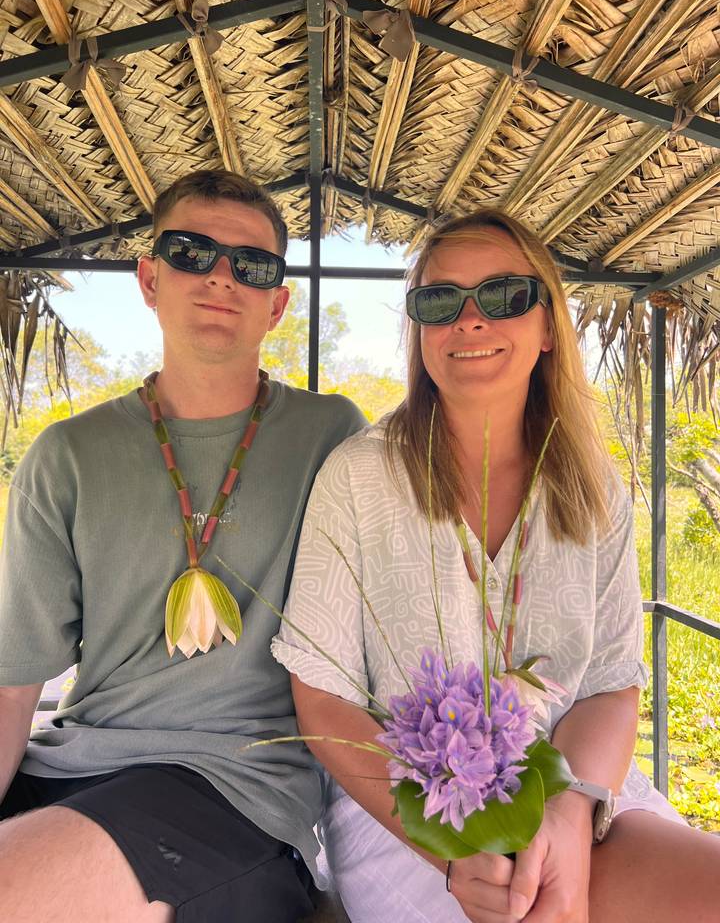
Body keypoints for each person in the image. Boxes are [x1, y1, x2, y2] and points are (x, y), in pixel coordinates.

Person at [272, 210, 720, 923]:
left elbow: (609, 686)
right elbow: (322, 698)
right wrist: (452, 847)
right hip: (409, 807)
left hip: (575, 777)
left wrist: (569, 812)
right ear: (419, 332)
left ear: (547, 327)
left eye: (506, 295)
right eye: (440, 301)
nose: (470, 320)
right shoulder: (357, 478)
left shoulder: (594, 484)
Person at [0, 169, 366, 923]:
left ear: (278, 303)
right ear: (148, 277)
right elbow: (14, 686)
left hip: (236, 789)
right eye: (191, 251)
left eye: (252, 265)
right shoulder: (67, 454)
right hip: (70, 763)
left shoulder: (332, 437)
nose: (221, 277)